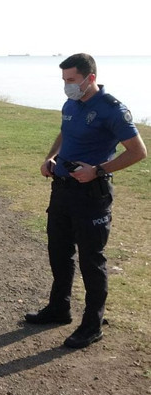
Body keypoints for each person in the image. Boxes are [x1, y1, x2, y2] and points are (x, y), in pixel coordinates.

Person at [25, 53, 146, 349]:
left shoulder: (111, 109)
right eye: (64, 80)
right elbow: (65, 132)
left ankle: (92, 325)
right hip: (62, 189)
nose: (67, 86)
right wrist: (50, 157)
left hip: (91, 196)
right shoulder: (72, 103)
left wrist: (98, 170)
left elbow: (138, 151)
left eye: (72, 80)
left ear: (90, 78)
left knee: (91, 260)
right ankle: (59, 308)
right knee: (59, 251)